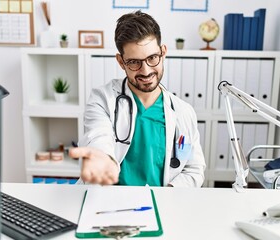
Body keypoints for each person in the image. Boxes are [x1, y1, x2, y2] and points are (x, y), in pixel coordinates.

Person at [69, 10, 205, 187]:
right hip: (109, 204)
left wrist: (169, 193)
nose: (146, 71)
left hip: (161, 204)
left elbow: (194, 169)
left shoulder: (183, 112)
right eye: (134, 62)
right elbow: (99, 136)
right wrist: (104, 158)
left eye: (152, 58)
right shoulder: (103, 99)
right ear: (121, 61)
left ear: (163, 52)